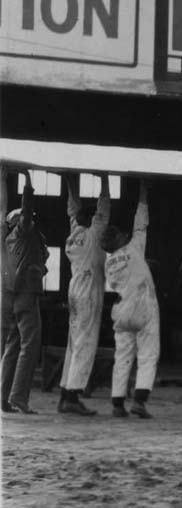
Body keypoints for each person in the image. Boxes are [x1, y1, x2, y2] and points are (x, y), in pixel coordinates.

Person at [102, 181, 158, 418]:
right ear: (121, 238)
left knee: (122, 356)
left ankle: (117, 403)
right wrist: (143, 193)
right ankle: (140, 402)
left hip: (121, 308)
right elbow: (140, 222)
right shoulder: (134, 247)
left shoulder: (108, 261)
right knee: (148, 354)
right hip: (142, 305)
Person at [59, 173, 110, 415]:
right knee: (84, 344)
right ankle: (71, 396)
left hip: (75, 291)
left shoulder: (75, 233)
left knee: (74, 343)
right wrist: (105, 180)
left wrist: (70, 182)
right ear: (91, 220)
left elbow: (72, 208)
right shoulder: (92, 235)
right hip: (88, 292)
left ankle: (65, 395)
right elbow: (104, 210)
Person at [1, 172, 48, 415]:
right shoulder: (22, 233)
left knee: (13, 345)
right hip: (27, 295)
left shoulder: (7, 240)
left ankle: (3, 396)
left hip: (12, 296)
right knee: (30, 345)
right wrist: (28, 184)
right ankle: (19, 398)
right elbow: (27, 211)